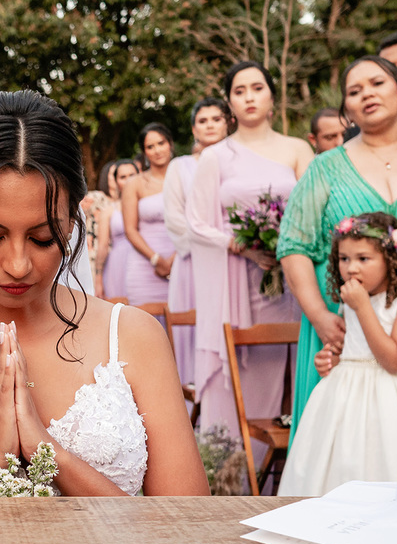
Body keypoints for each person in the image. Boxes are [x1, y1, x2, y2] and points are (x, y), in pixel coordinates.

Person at [0, 90, 207, 497]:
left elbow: (184, 522)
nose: (18, 265)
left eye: (43, 237)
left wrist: (46, 451)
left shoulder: (134, 337)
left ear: (71, 221)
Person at [279, 56, 397, 443]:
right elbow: (294, 246)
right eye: (354, 91)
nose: (367, 94)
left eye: (377, 83)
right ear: (347, 109)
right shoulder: (324, 168)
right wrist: (321, 317)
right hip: (347, 318)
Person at [279, 213, 397, 495]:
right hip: (345, 401)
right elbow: (357, 351)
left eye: (363, 259)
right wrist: (332, 359)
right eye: (344, 258)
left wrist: (362, 307)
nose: (351, 268)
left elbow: (395, 361)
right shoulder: (352, 300)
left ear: (391, 259)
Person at [187, 61, 312, 450]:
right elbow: (196, 223)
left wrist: (284, 245)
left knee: (293, 366)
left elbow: (312, 210)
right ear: (229, 103)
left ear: (272, 95)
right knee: (243, 368)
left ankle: (289, 467)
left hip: (292, 282)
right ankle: (235, 469)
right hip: (237, 285)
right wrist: (240, 245)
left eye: (257, 88)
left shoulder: (297, 148)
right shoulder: (215, 156)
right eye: (239, 91)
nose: (249, 97)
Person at [163, 98, 229, 391]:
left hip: (233, 260)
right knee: (193, 328)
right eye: (203, 121)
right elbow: (175, 217)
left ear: (228, 123)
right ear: (193, 129)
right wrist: (210, 245)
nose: (210, 125)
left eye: (216, 119)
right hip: (193, 262)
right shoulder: (180, 167)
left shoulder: (238, 163)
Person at [121, 123, 176, 306]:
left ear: (170, 144)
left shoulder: (187, 178)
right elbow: (130, 230)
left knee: (185, 318)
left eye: (161, 143)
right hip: (145, 265)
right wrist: (156, 259)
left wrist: (177, 257)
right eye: (150, 147)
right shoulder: (134, 183)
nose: (157, 150)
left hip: (183, 260)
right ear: (144, 152)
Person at [94, 158, 139, 299]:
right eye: (123, 177)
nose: (128, 180)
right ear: (115, 181)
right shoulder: (108, 211)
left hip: (145, 260)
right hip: (117, 265)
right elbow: (102, 247)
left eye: (132, 175)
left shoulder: (147, 207)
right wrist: (98, 279)